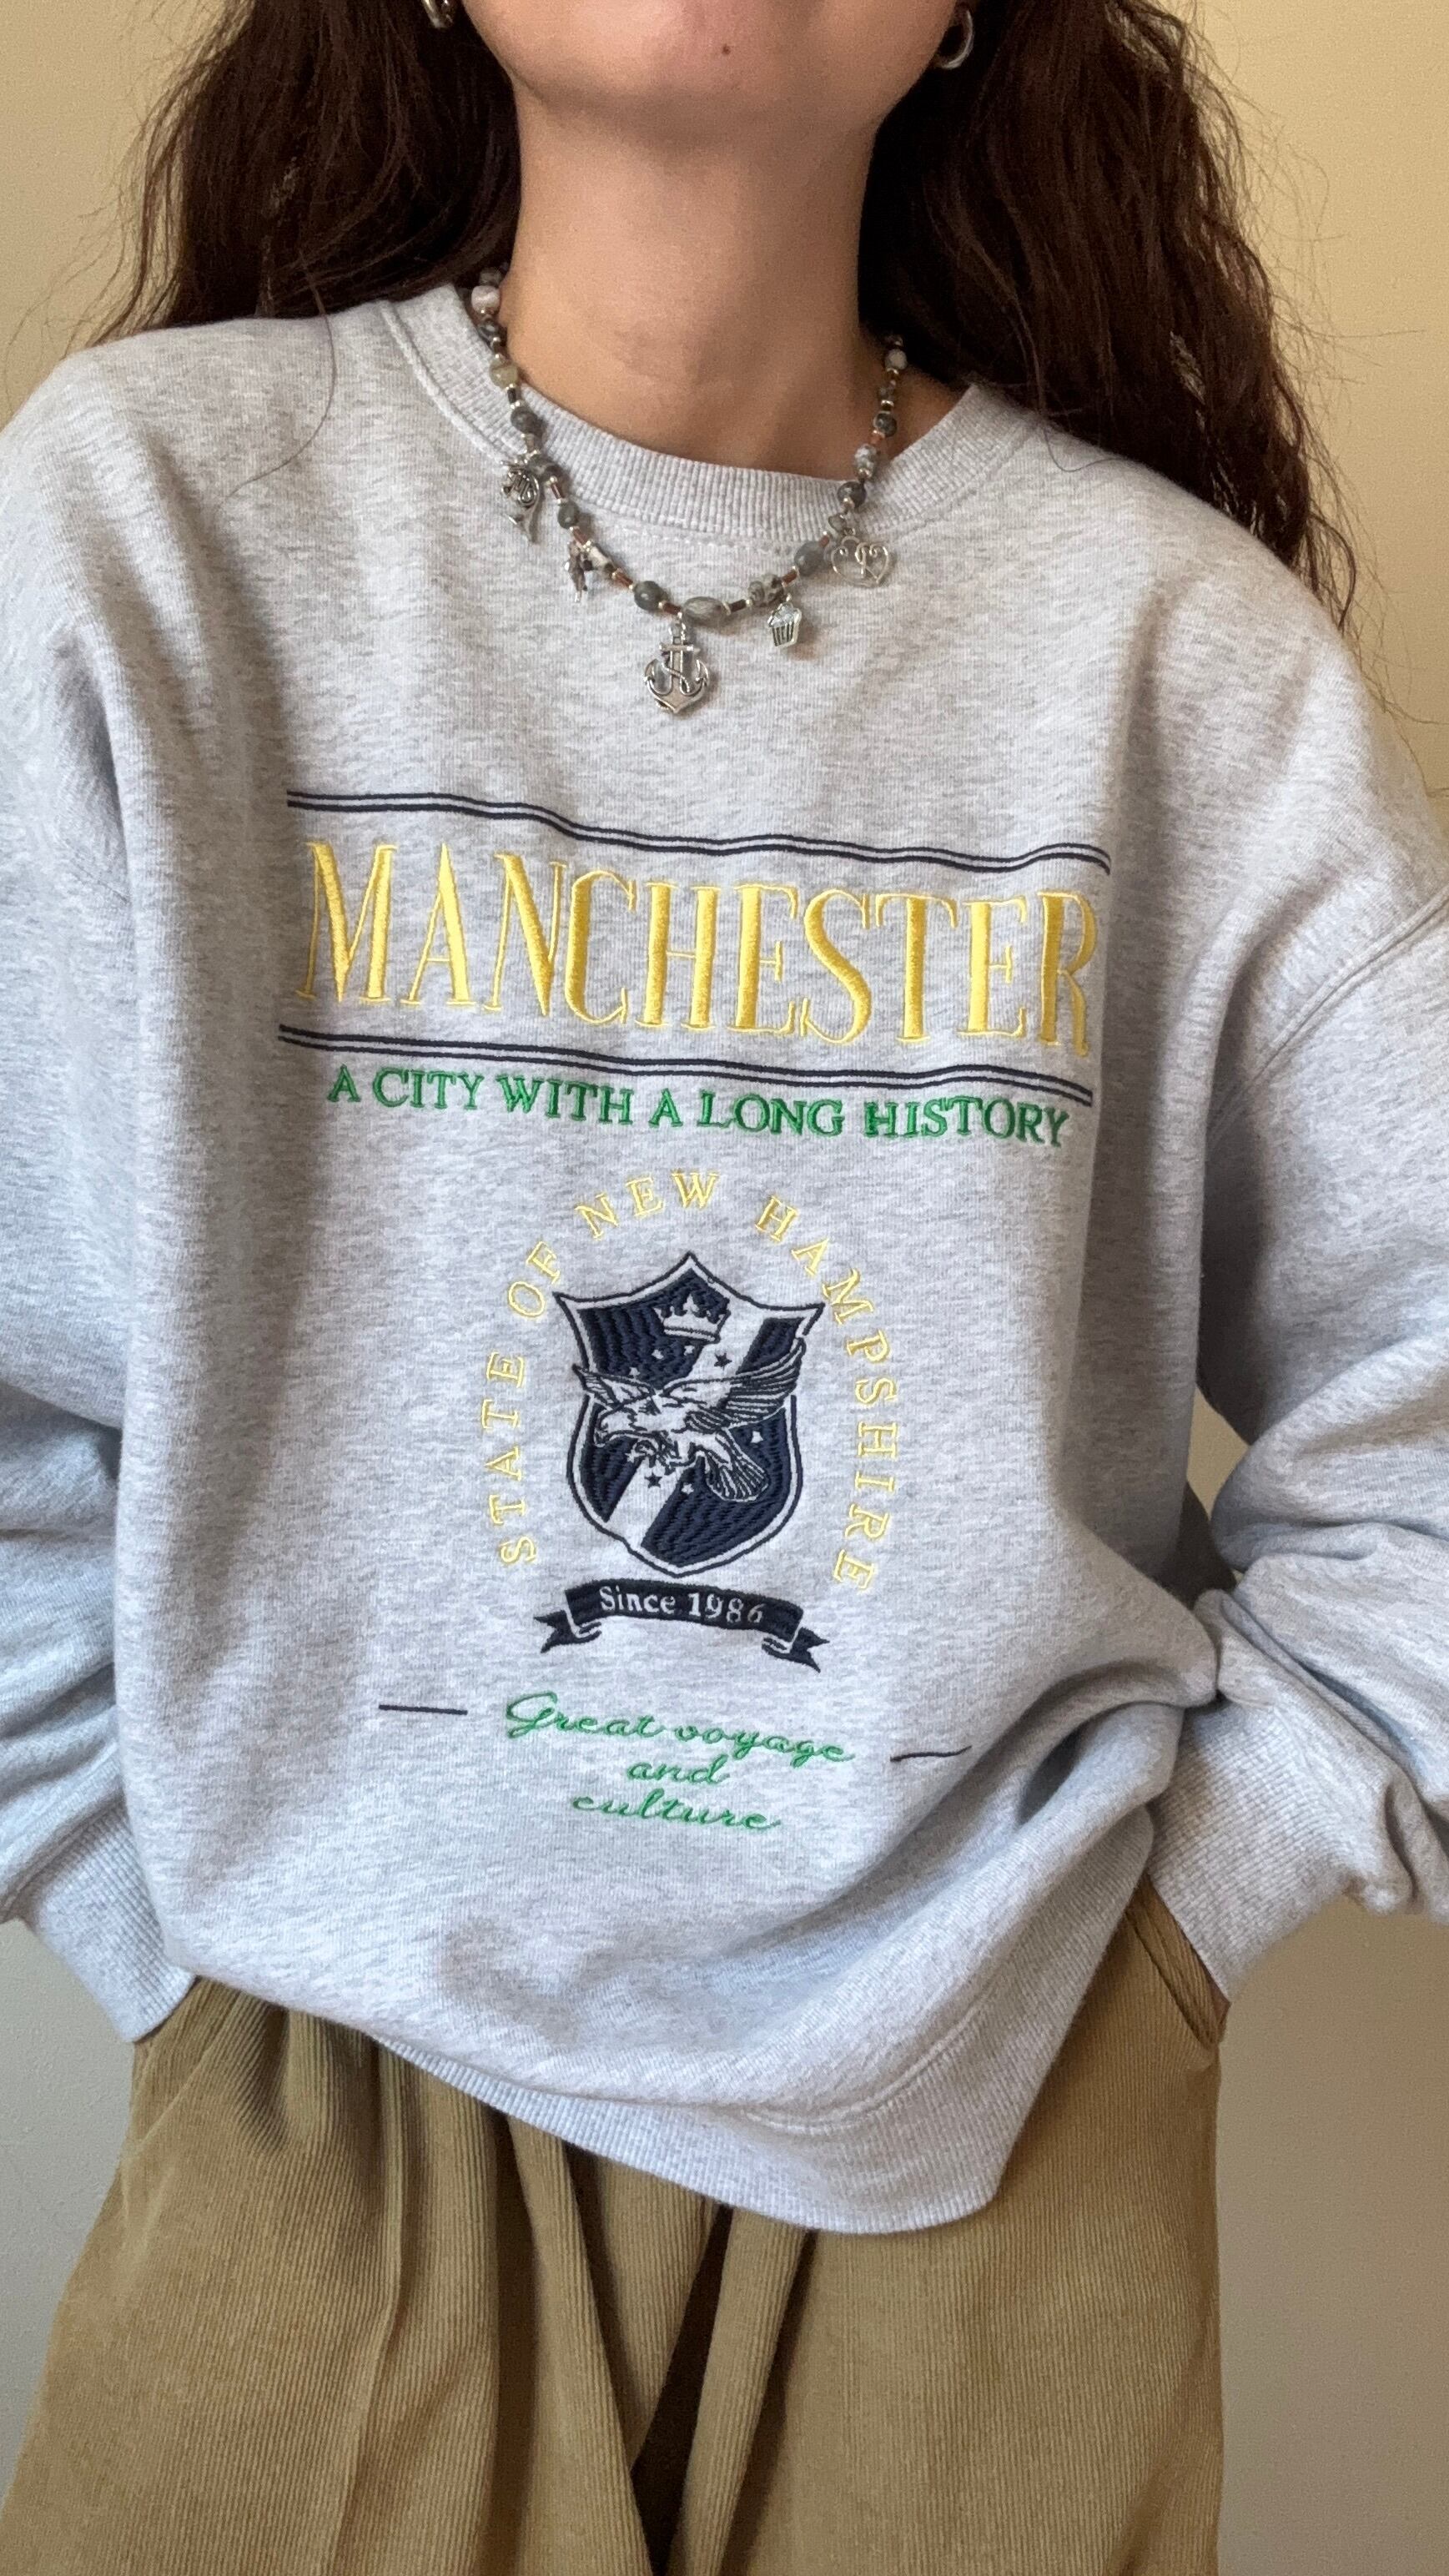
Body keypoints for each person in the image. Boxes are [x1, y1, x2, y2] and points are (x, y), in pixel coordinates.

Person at [1, 0, 1446, 2568]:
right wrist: (158, 1911)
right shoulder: (155, 516)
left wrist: (1180, 1930)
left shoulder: (1169, 651)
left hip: (1001, 2100)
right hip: (327, 2078)